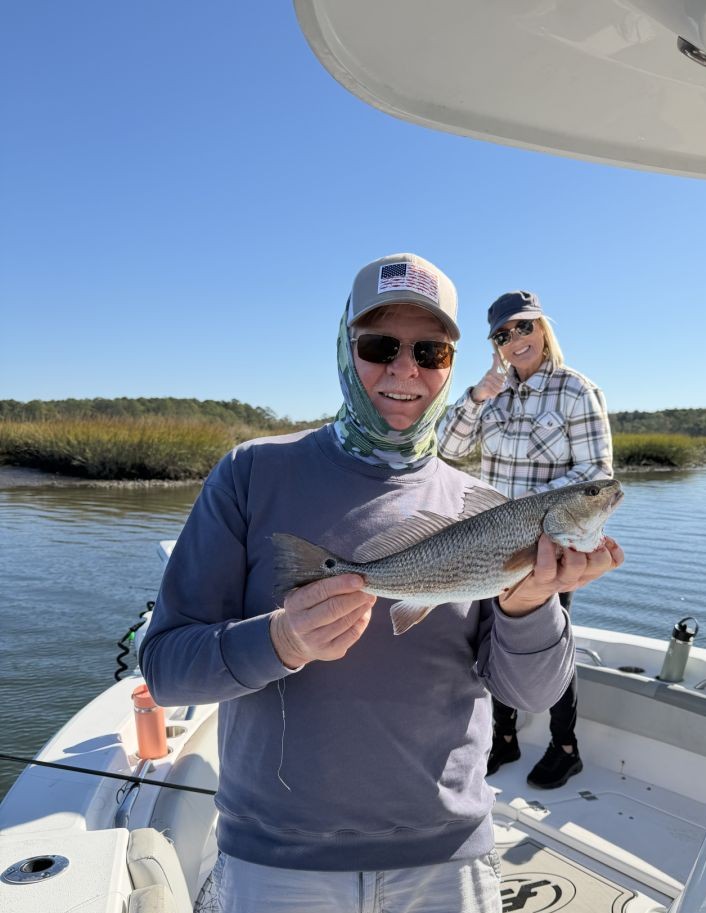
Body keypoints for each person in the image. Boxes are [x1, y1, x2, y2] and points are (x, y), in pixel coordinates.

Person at [139, 256, 622, 913]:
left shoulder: (479, 502)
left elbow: (530, 692)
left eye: (430, 350)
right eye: (379, 346)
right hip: (277, 864)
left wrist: (530, 601)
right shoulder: (250, 473)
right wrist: (279, 639)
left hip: (450, 862)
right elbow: (166, 669)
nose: (405, 369)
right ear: (345, 346)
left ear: (452, 363)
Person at [437, 289, 614, 790]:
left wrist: (528, 512)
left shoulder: (576, 390)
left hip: (551, 546)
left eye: (523, 327)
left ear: (542, 329)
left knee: (546, 643)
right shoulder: (492, 394)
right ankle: (505, 737)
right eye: (502, 334)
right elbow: (448, 449)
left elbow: (597, 472)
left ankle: (565, 747)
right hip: (491, 546)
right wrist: (477, 396)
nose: (515, 339)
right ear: (495, 345)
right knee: (492, 638)